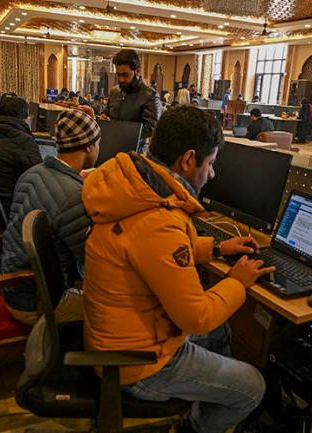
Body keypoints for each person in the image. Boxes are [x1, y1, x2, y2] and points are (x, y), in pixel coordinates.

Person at [82, 105, 274, 433]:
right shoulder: (157, 221)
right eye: (210, 163)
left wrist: (214, 248)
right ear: (187, 160)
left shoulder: (134, 188)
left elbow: (148, 253)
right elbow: (195, 317)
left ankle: (207, 393)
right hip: (139, 364)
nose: (211, 174)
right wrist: (237, 282)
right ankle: (193, 427)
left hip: (118, 336)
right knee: (252, 386)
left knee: (221, 331)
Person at [0, 109, 100, 325]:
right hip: (37, 303)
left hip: (13, 287)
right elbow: (92, 261)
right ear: (89, 146)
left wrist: (77, 177)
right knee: (126, 303)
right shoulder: (74, 195)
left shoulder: (32, 173)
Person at [100, 49, 161, 142]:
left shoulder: (149, 96)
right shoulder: (115, 91)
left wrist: (119, 131)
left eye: (125, 75)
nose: (121, 79)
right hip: (112, 142)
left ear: (137, 71)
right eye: (118, 75)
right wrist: (102, 118)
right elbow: (107, 113)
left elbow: (151, 129)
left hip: (136, 150)